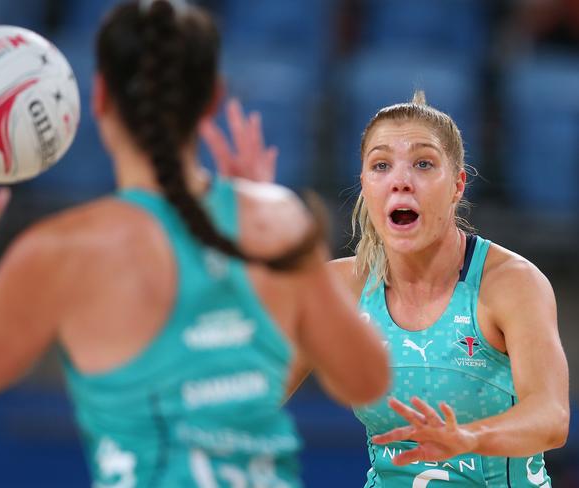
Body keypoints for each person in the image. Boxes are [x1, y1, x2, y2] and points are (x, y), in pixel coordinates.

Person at [0, 1, 390, 486]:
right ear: (214, 98)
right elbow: (366, 379)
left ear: (100, 97)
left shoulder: (63, 253)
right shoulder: (275, 220)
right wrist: (264, 214)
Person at [203, 91, 570, 486]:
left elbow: (551, 417)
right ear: (364, 184)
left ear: (458, 185)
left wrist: (469, 437)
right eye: (381, 165)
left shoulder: (511, 282)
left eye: (424, 164)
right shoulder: (339, 287)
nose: (400, 181)